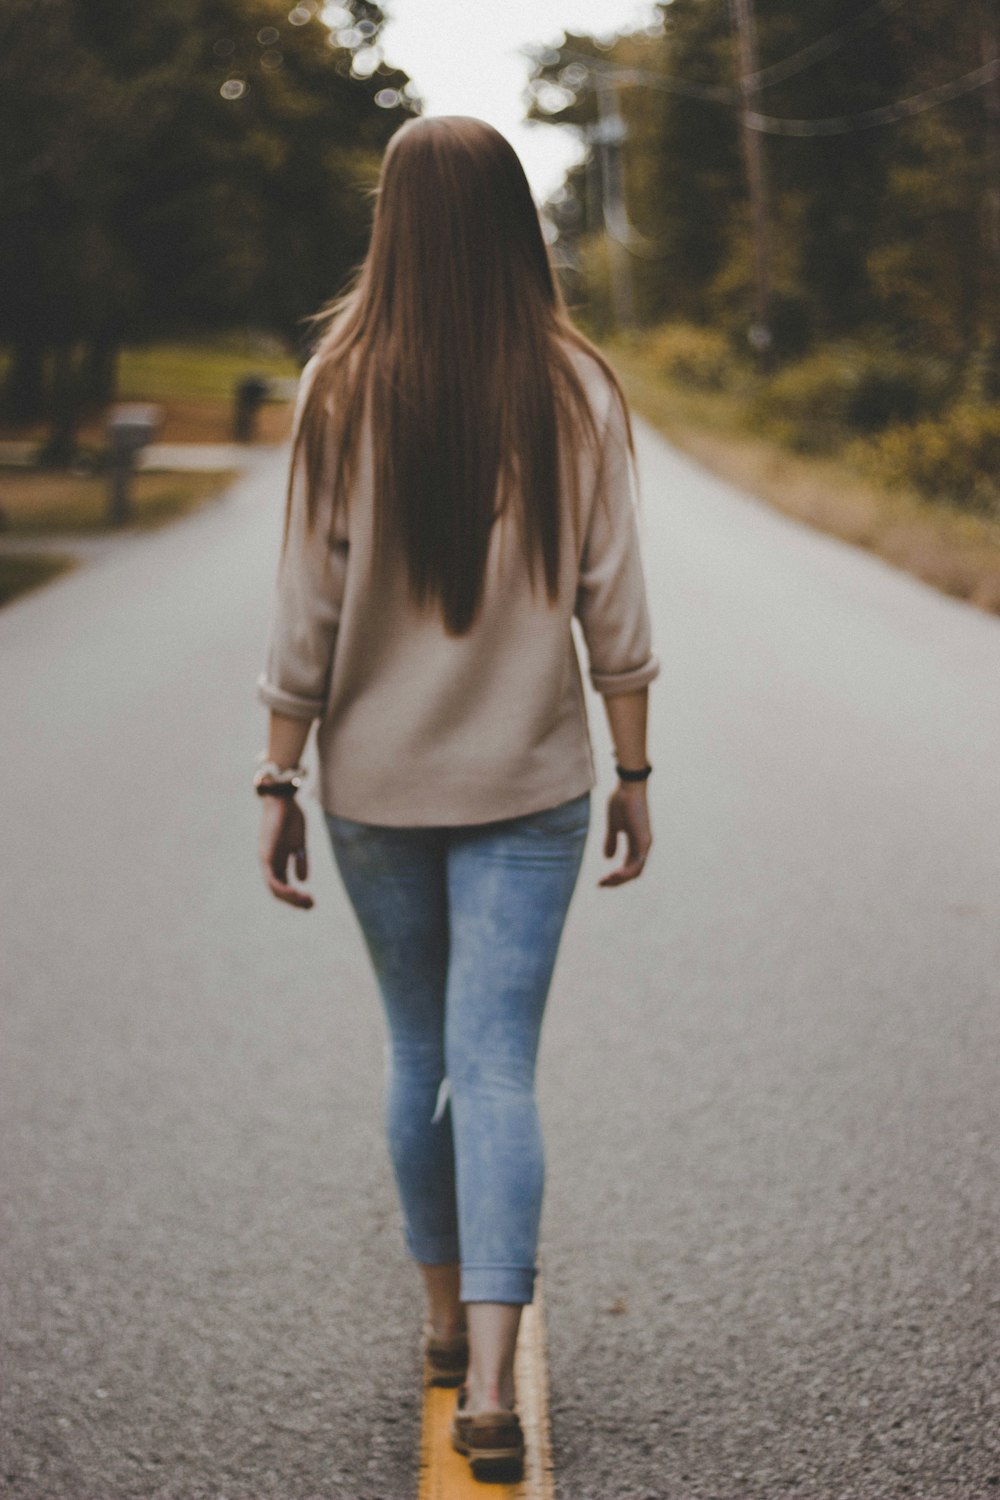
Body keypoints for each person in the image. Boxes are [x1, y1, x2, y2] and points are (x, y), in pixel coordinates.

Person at [254, 114, 658, 1481]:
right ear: (515, 223)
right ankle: (493, 1382)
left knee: (417, 1059)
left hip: (370, 787)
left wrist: (276, 773)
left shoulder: (337, 384)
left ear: (391, 223)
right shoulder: (577, 387)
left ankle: (438, 1321)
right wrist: (638, 771)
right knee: (495, 1069)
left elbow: (303, 610)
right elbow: (618, 606)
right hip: (533, 783)